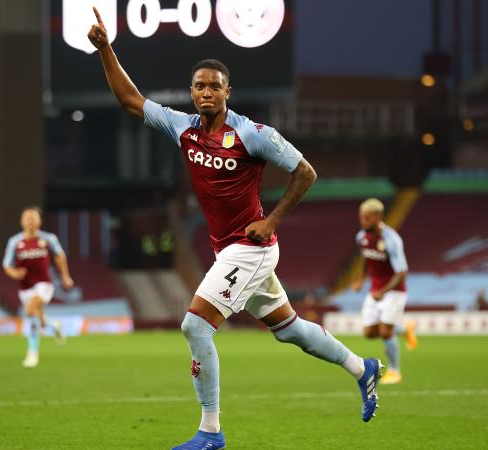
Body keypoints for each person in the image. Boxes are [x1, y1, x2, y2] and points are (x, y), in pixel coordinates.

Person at [87, 8, 383, 449]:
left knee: (195, 326)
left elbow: (305, 172)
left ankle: (211, 432)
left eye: (215, 86)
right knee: (291, 330)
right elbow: (131, 99)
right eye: (200, 86)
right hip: (227, 249)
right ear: (192, 92)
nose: (207, 92)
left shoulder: (252, 133)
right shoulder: (183, 128)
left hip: (252, 246)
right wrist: (106, 49)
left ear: (228, 92)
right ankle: (363, 368)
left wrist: (272, 219)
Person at [351, 198, 417, 385]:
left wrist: (383, 291)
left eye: (367, 218)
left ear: (378, 217)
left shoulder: (391, 240)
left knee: (386, 332)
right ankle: (404, 329)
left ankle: (395, 371)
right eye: (361, 218)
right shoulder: (361, 237)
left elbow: (401, 272)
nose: (363, 222)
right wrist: (361, 279)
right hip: (375, 290)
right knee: (369, 332)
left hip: (394, 291)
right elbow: (366, 257)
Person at [3, 206, 74, 368]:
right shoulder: (14, 242)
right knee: (36, 315)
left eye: (33, 217)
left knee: (30, 311)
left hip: (44, 285)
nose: (30, 220)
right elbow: (6, 265)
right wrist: (14, 273)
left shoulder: (48, 239)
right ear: (21, 222)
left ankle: (32, 354)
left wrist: (65, 276)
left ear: (40, 221)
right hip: (25, 288)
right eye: (27, 217)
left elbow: (60, 256)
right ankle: (54, 325)